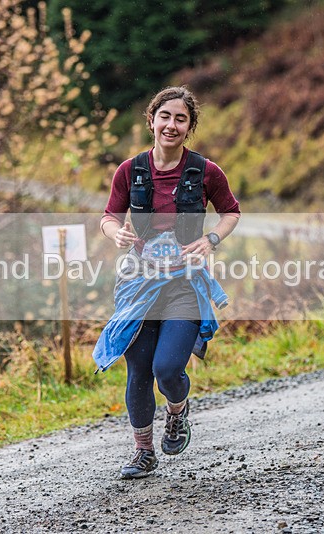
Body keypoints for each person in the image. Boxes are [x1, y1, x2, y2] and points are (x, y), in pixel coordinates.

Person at [93, 86, 240, 479]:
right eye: (165, 116)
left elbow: (231, 212)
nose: (171, 125)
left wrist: (210, 240)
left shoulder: (206, 171)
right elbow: (109, 216)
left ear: (189, 127)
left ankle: (177, 412)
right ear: (152, 120)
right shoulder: (130, 170)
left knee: (167, 369)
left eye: (180, 119)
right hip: (138, 286)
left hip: (185, 286)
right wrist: (116, 233)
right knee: (138, 370)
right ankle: (143, 452)